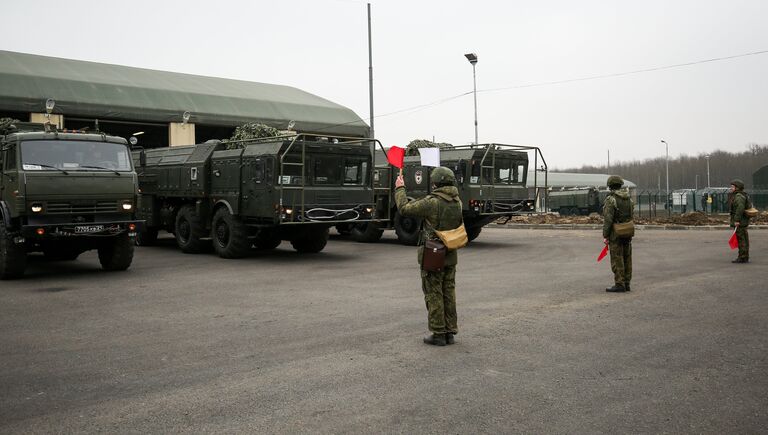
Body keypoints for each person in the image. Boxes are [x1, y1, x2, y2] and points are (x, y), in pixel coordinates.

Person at [395, 166, 463, 346]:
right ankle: (450, 331)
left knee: (433, 293)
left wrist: (400, 188)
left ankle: (438, 332)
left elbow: (404, 208)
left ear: (436, 183)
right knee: (449, 292)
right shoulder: (458, 202)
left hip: (433, 253)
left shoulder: (432, 202)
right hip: (451, 253)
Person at [602, 175, 634, 292]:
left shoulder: (611, 199)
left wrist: (605, 235)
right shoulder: (628, 198)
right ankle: (627, 283)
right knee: (627, 256)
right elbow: (631, 215)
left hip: (616, 232)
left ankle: (619, 284)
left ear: (610, 186)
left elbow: (608, 219)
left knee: (617, 257)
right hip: (627, 230)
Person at [729, 179, 750, 263]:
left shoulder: (738, 196)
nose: (731, 188)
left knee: (741, 239)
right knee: (743, 239)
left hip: (740, 222)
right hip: (743, 221)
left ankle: (742, 257)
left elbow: (740, 209)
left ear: (737, 187)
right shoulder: (742, 195)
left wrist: (737, 220)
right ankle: (744, 256)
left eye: (732, 187)